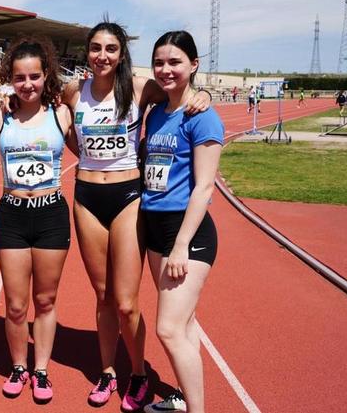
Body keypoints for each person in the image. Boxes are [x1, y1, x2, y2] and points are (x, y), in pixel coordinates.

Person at [60, 20, 210, 410]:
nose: (102, 56)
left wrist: (205, 93)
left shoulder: (142, 88)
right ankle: (108, 372)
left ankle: (139, 374)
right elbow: (57, 119)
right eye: (95, 48)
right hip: (87, 195)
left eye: (111, 49)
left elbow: (183, 92)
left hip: (127, 196)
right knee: (103, 295)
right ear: (87, 52)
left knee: (127, 302)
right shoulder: (74, 91)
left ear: (122, 54)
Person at [0, 37, 73, 404]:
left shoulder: (61, 113)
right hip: (12, 215)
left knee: (46, 301)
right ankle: (19, 367)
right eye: (20, 78)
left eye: (34, 76)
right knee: (16, 305)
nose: (28, 84)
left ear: (46, 75)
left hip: (51, 213)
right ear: (10, 78)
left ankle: (42, 369)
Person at [141, 31, 224, 413]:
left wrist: (180, 245)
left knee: (168, 329)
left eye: (175, 62)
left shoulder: (202, 116)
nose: (165, 69)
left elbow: (205, 186)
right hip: (156, 227)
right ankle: (183, 397)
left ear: (194, 64)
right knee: (186, 324)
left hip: (186, 234)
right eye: (159, 62)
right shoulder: (158, 110)